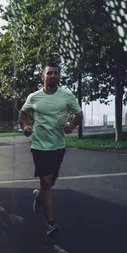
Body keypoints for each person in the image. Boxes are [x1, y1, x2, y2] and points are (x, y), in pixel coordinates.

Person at [19, 62, 83, 236]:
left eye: (55, 73)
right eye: (49, 73)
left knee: (50, 182)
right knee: (46, 181)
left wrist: (72, 126)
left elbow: (79, 114)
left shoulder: (66, 96)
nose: (52, 76)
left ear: (59, 77)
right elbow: (22, 114)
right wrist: (25, 126)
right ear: (43, 77)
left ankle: (38, 196)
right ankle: (50, 223)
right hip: (39, 145)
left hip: (58, 146)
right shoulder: (34, 97)